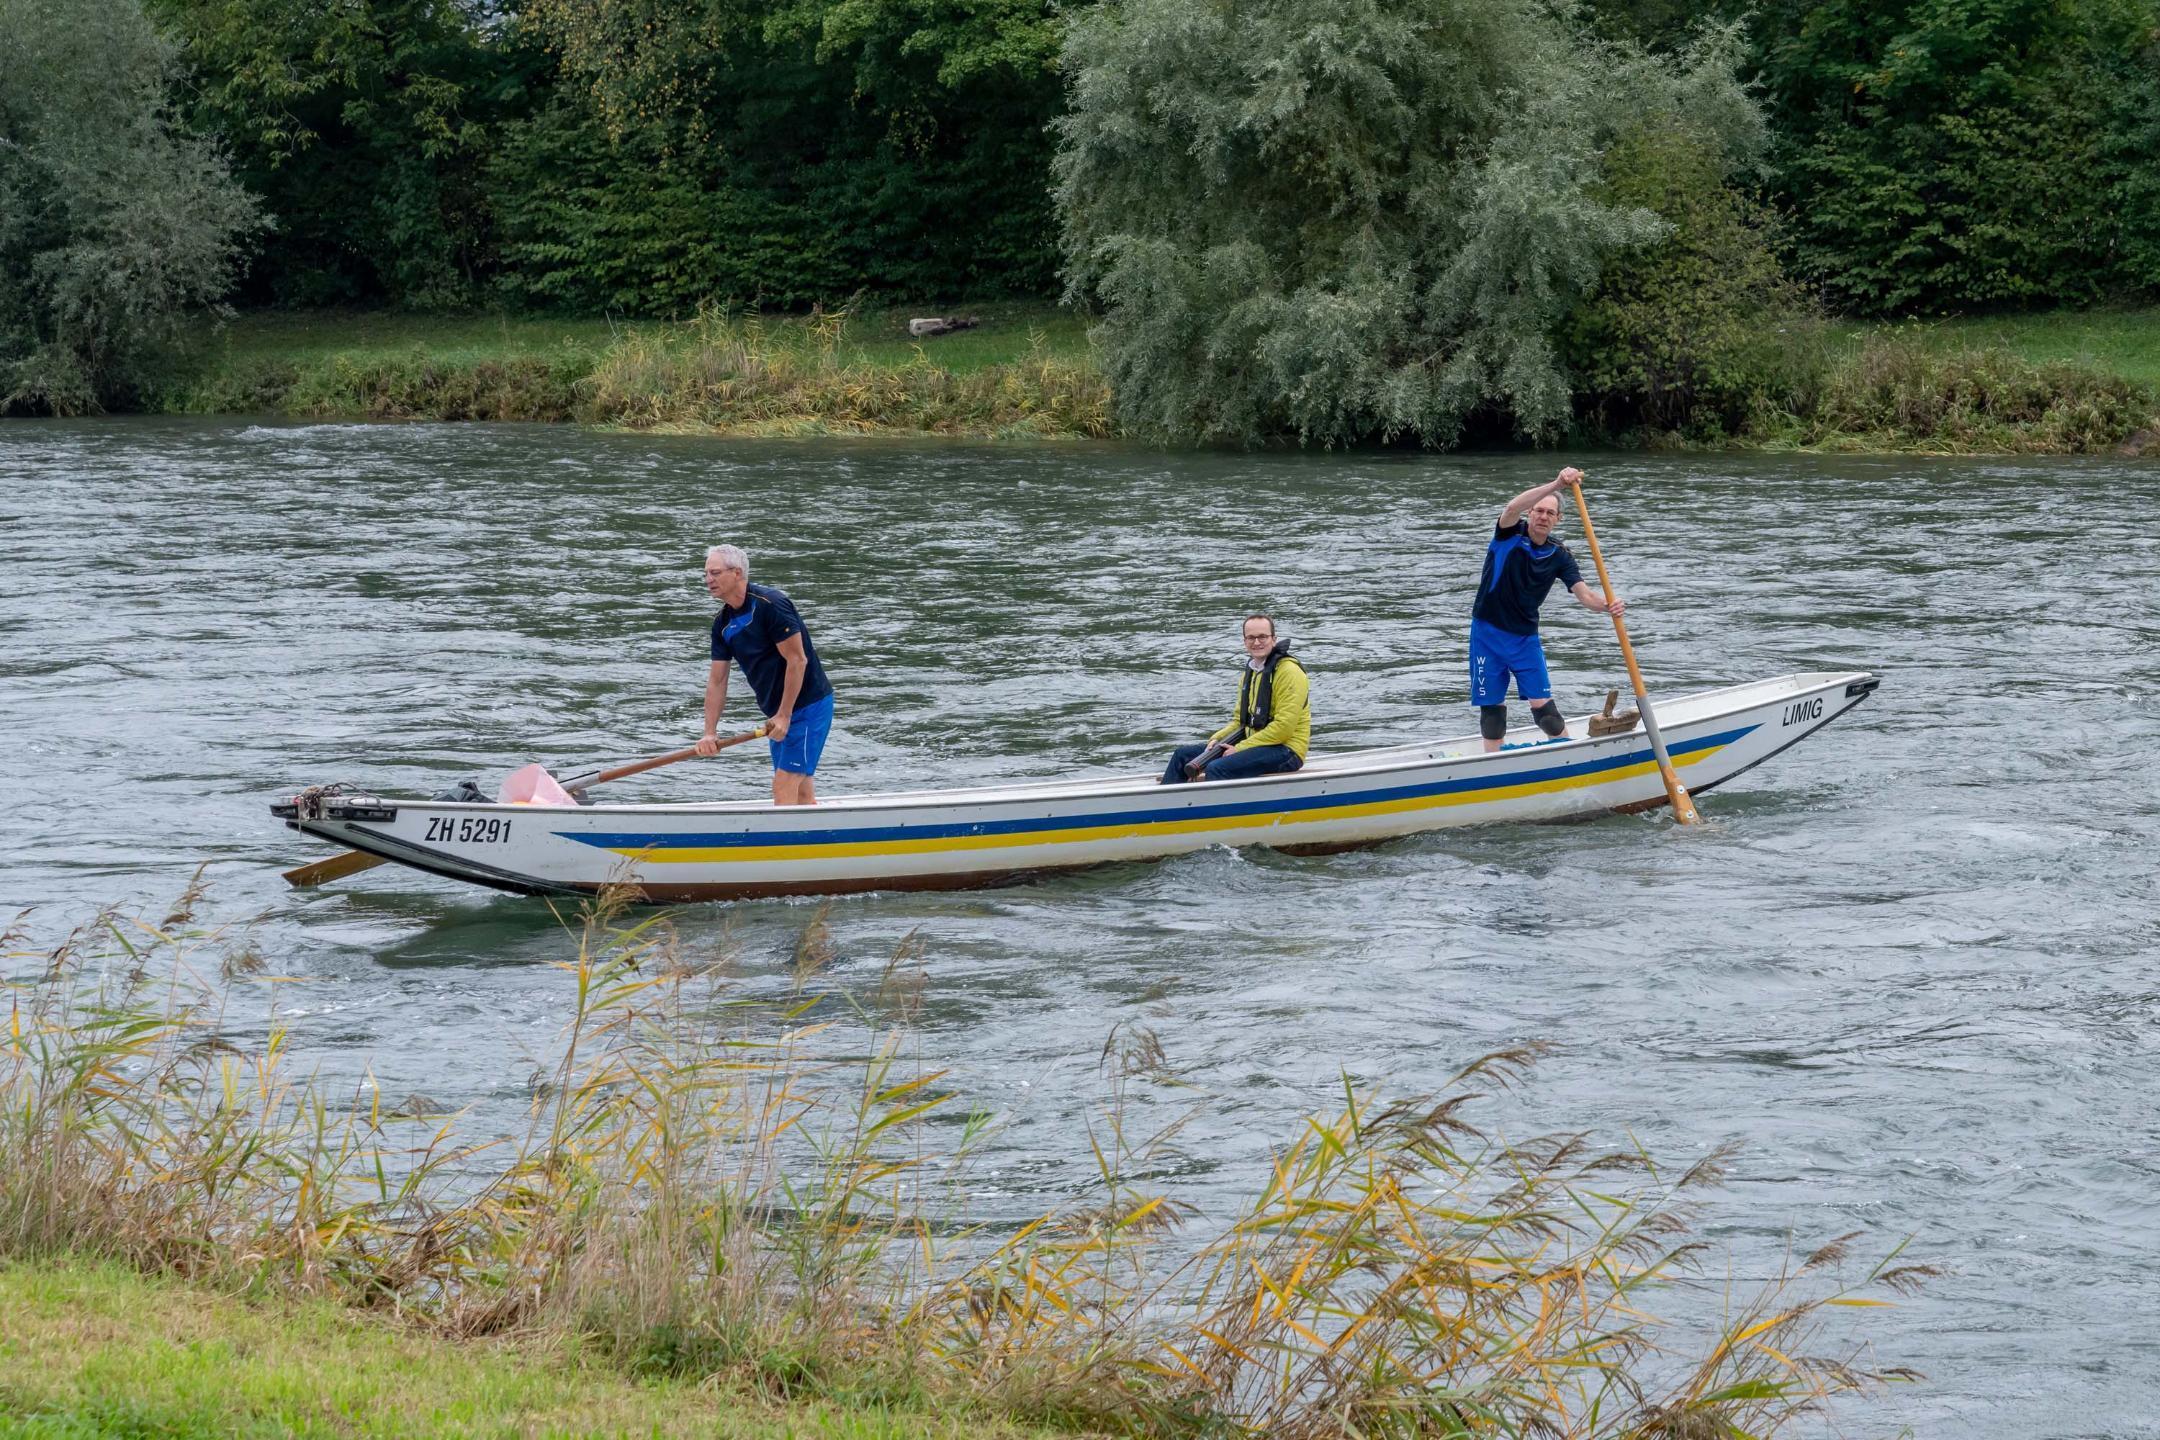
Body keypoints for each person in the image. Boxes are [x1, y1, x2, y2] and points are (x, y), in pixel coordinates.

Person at [1469, 467, 1623, 752]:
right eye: (1538, 511)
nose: (1542, 516)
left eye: (1550, 513)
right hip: (1486, 635)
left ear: (1558, 520)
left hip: (1524, 638)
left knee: (1547, 715)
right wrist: (1557, 484)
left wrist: (1607, 605)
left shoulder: (1560, 555)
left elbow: (1585, 595)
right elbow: (1513, 506)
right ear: (1530, 513)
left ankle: (1567, 757)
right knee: (1492, 714)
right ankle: (1492, 769)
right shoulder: (1507, 535)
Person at [698, 544, 834, 805]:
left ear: (737, 573)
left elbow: (797, 660)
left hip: (807, 706)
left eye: (714, 573)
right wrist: (709, 732)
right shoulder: (722, 623)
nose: (708, 580)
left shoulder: (772, 605)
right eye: (706, 574)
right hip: (776, 713)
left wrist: (785, 715)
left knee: (783, 785)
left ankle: (786, 845)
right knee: (801, 791)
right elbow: (717, 681)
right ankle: (812, 843)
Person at [1161, 615, 1310, 784]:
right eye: (1251, 637)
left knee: (1217, 767)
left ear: (1273, 639)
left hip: (1287, 750)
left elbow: (1284, 728)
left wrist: (1239, 748)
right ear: (1244, 641)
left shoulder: (1289, 672)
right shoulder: (1252, 672)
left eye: (1262, 637)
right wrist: (1216, 739)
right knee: (1182, 755)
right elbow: (1240, 722)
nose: (1257, 642)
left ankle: (1217, 810)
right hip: (1256, 744)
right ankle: (1165, 808)